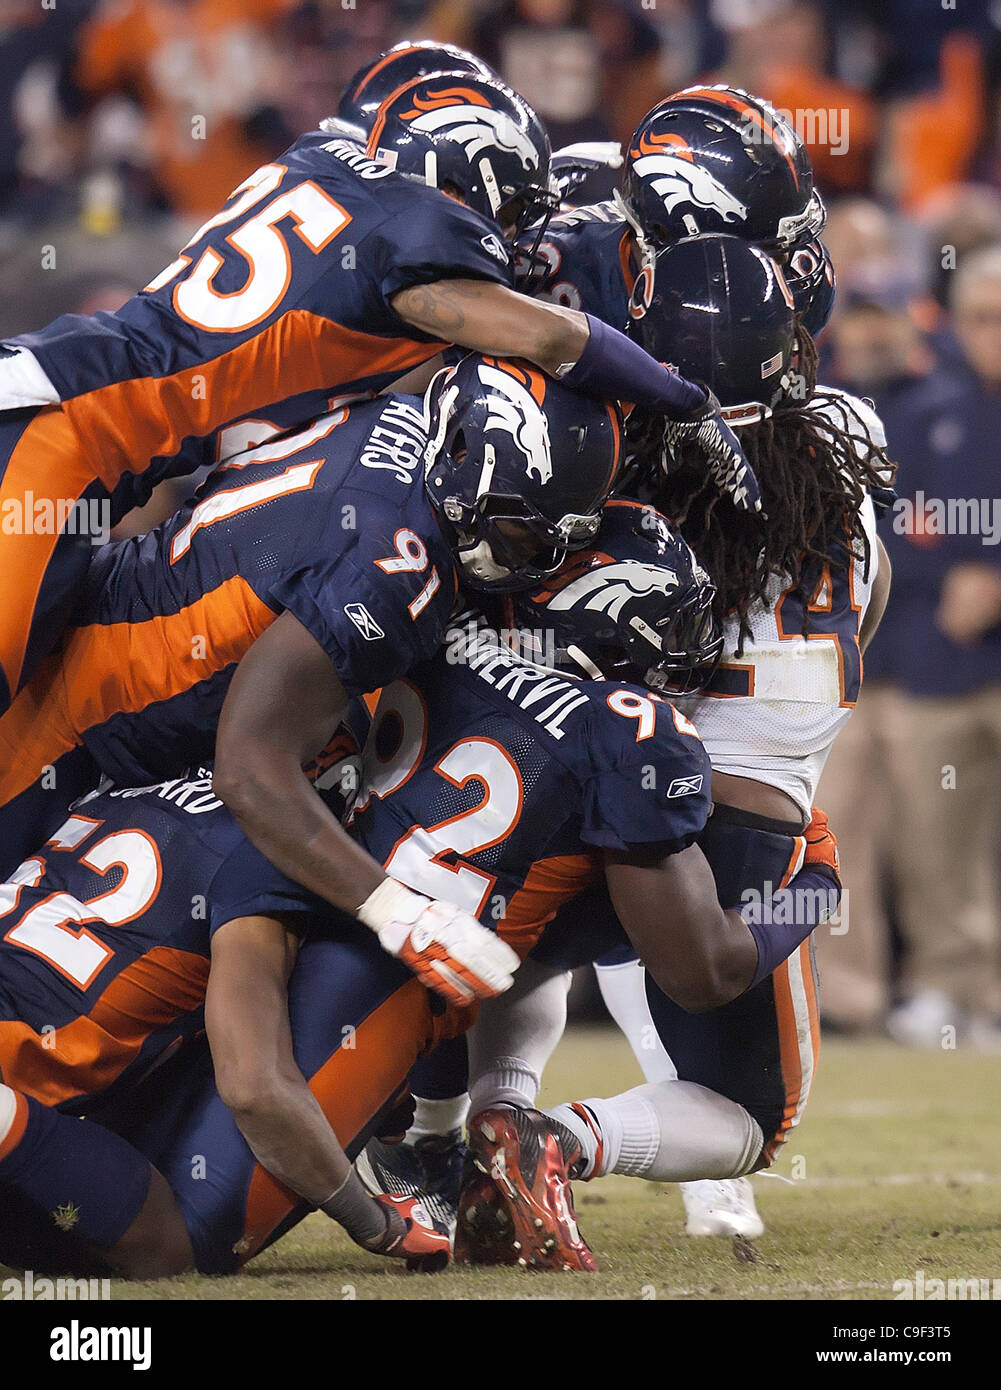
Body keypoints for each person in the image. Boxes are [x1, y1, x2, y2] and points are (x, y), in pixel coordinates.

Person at [0, 68, 751, 716]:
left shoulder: (320, 167)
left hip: (58, 404)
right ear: (467, 175)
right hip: (63, 436)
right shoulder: (417, 233)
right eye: (512, 206)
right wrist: (683, 399)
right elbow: (553, 336)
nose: (514, 232)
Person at [0, 361, 624, 1003]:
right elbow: (248, 770)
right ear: (463, 453)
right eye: (519, 526)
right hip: (68, 722)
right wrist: (396, 913)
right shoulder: (392, 573)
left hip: (76, 627)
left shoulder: (396, 415)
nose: (531, 557)